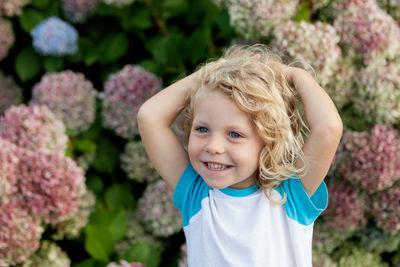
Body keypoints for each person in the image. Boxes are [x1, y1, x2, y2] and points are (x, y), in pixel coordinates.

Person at [137, 44, 342, 267]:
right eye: (202, 129)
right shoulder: (196, 195)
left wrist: (295, 75)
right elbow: (149, 117)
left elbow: (328, 128)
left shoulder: (291, 196)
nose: (214, 147)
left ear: (270, 143)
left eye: (234, 134)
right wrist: (214, 72)